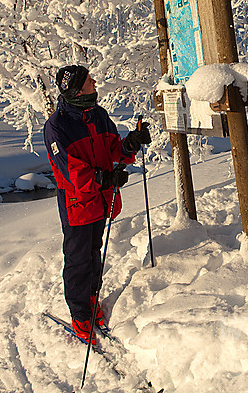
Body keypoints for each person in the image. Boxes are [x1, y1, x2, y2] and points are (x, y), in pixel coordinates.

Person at [43, 65, 151, 343]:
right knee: (78, 259)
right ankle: (80, 315)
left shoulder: (99, 115)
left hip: (101, 200)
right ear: (78, 89)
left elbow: (114, 148)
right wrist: (104, 178)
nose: (94, 81)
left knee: (94, 253)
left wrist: (132, 143)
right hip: (77, 204)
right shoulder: (57, 126)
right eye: (89, 80)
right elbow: (70, 170)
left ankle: (91, 300)